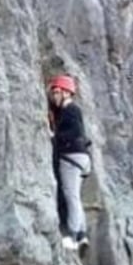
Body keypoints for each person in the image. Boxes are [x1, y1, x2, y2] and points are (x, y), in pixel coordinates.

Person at [47, 74, 92, 252]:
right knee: (76, 197)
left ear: (66, 93)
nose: (55, 96)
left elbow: (75, 132)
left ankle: (72, 236)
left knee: (71, 196)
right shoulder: (71, 111)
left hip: (71, 158)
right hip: (81, 158)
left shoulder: (71, 110)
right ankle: (82, 235)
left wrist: (54, 136)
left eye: (57, 92)